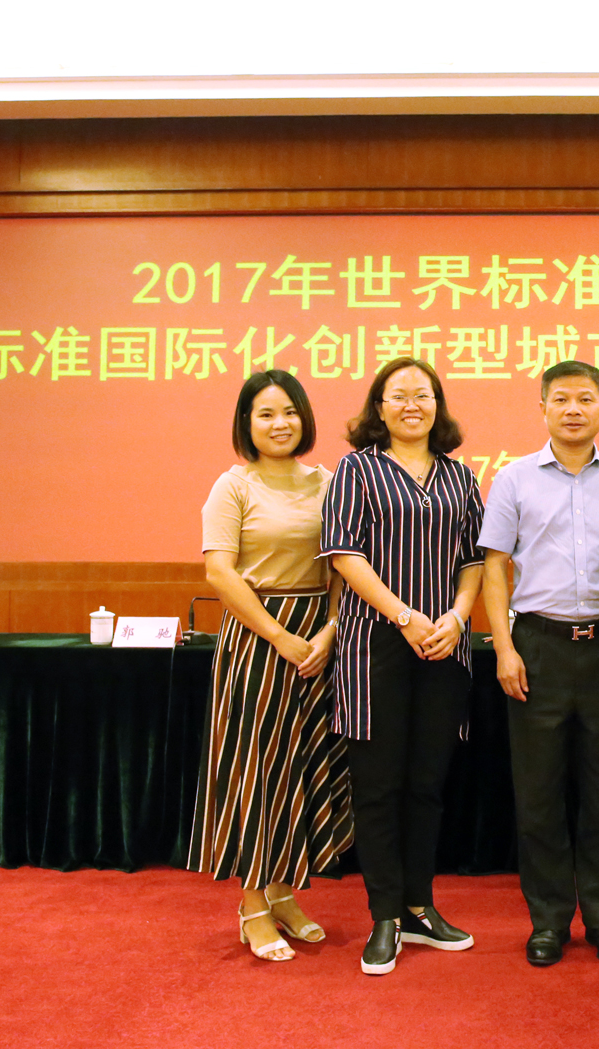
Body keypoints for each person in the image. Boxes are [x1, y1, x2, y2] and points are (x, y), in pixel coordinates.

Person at [478, 360, 599, 968]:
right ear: (543, 408)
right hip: (538, 646)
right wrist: (505, 647)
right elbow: (494, 567)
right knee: (539, 794)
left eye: (585, 399)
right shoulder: (513, 479)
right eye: (561, 399)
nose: (573, 409)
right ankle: (549, 920)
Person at [320, 357, 485, 976]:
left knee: (426, 785)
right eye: (399, 396)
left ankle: (420, 907)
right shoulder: (356, 470)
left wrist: (459, 616)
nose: (412, 405)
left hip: (445, 645)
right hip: (375, 647)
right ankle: (385, 915)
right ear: (379, 408)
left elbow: (475, 560)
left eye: (423, 395)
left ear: (438, 406)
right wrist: (404, 616)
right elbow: (344, 554)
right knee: (379, 787)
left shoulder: (460, 477)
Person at [190, 369, 354, 963]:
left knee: (301, 769)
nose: (279, 423)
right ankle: (252, 904)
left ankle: (284, 894)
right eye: (265, 413)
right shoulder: (232, 486)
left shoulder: (330, 482)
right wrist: (281, 637)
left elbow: (344, 565)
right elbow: (220, 572)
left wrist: (330, 631)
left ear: (304, 418)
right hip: (259, 639)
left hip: (321, 640)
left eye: (289, 411)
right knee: (256, 772)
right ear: (246, 424)